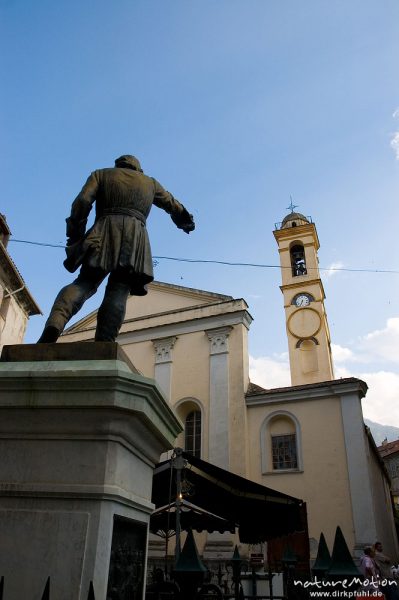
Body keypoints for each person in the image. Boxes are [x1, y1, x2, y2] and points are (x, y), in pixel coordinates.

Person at [38, 155, 195, 343]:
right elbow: (172, 204)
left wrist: (76, 233)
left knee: (84, 283)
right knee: (119, 289)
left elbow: (82, 201)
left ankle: (54, 324)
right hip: (134, 239)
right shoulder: (150, 183)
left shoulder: (101, 175)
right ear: (138, 169)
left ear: (118, 165)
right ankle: (104, 343)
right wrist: (184, 220)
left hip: (102, 232)